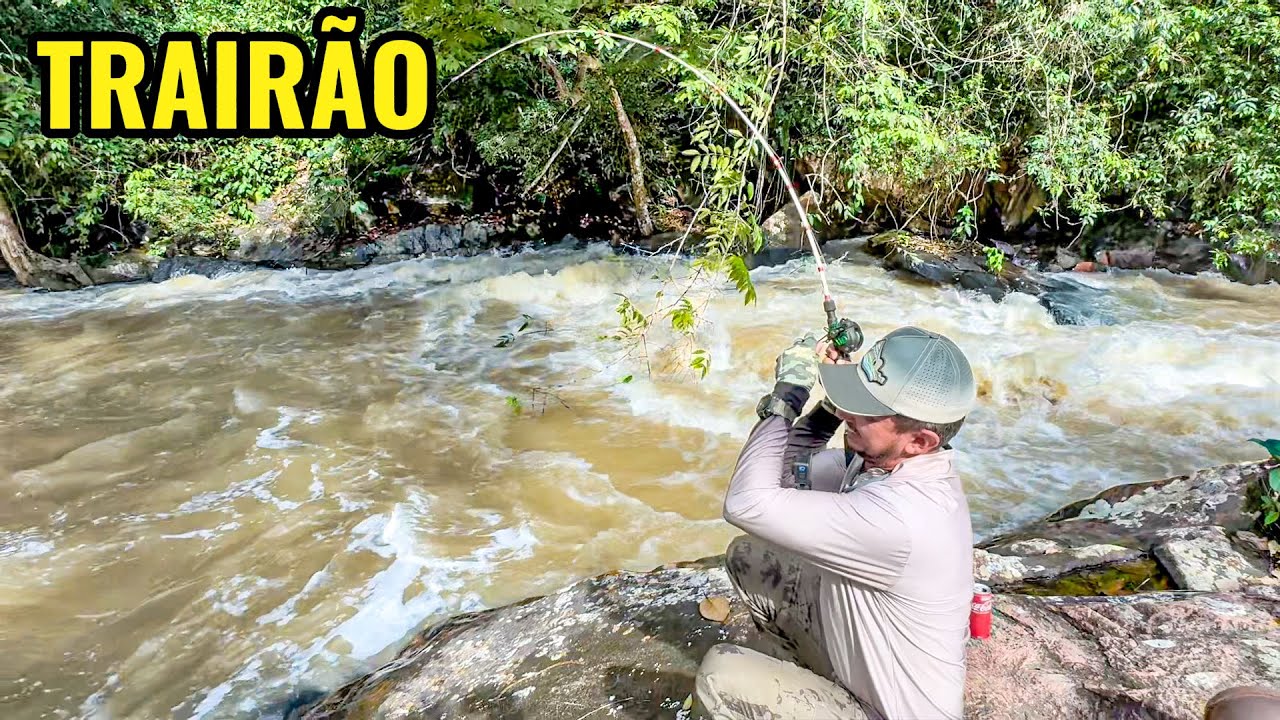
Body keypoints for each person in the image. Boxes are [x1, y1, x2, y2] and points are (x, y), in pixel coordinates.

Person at [694, 326, 979, 720]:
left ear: (920, 441)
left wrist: (787, 398)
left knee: (720, 674)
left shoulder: (900, 517)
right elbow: (788, 472)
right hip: (855, 669)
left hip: (884, 713)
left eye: (867, 411)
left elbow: (746, 503)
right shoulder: (889, 463)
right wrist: (833, 403)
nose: (848, 415)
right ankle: (804, 680)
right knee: (750, 557)